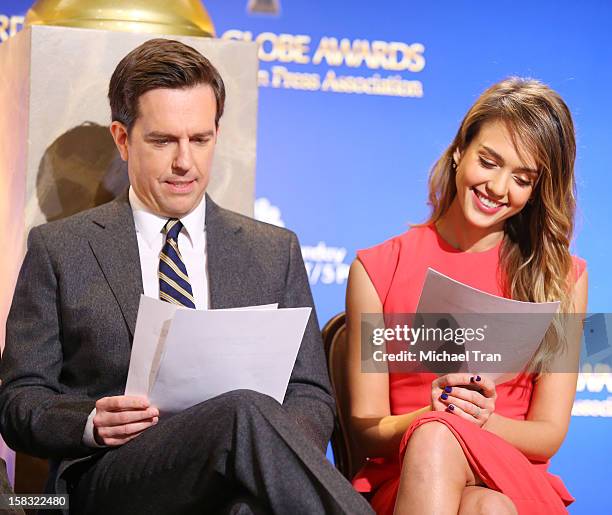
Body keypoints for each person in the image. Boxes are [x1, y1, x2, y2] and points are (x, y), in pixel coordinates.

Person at [0, 39, 373, 515]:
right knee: (243, 409)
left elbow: (309, 393)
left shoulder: (273, 251)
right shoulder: (62, 249)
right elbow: (19, 399)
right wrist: (90, 421)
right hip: (114, 476)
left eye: (200, 140)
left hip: (235, 474)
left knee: (245, 491)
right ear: (122, 138)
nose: (185, 162)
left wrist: (265, 452)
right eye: (163, 141)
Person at [345, 77, 588, 514]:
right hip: (406, 477)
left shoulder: (564, 278)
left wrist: (478, 421)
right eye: (489, 161)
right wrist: (431, 416)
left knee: (465, 465)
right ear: (460, 150)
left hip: (513, 472)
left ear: (537, 191)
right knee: (479, 498)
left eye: (522, 178)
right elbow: (365, 427)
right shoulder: (377, 268)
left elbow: (549, 432)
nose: (498, 188)